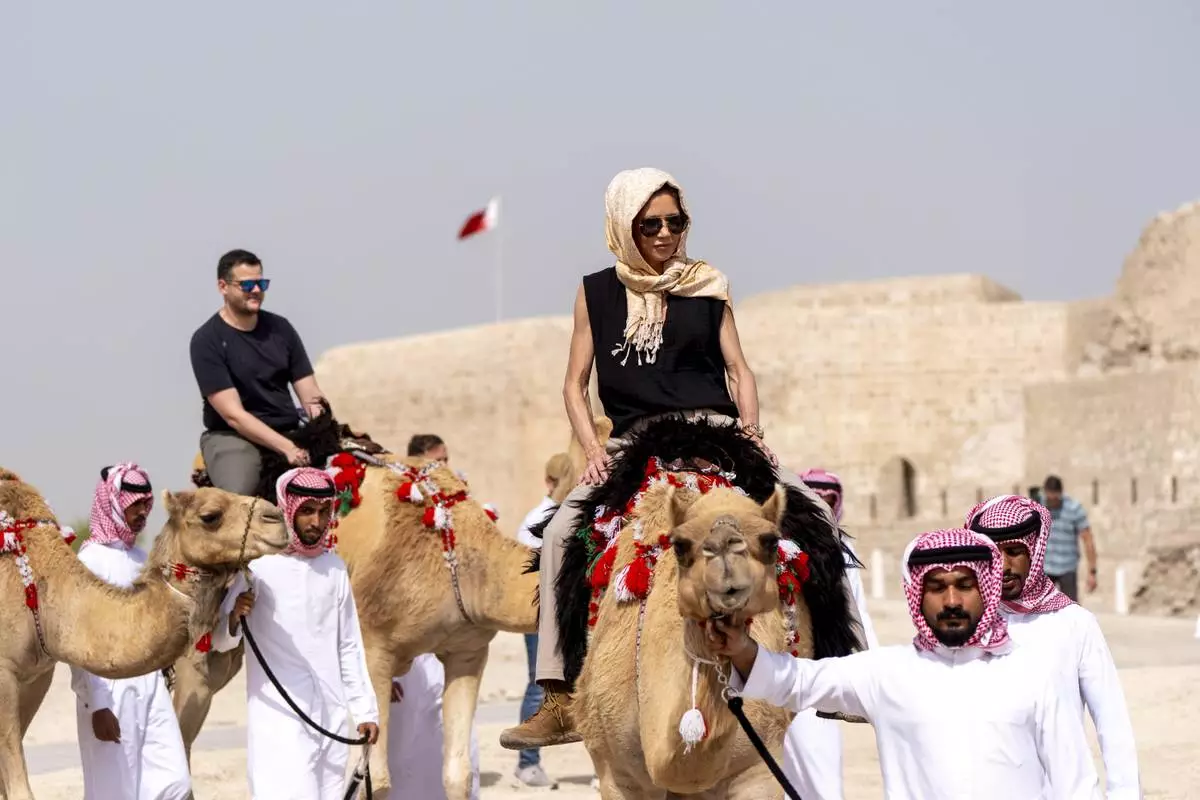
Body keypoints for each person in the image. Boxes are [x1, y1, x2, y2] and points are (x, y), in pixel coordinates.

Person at [500, 167, 838, 751]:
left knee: (815, 516)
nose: (664, 234)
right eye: (650, 224)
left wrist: (752, 432)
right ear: (623, 227)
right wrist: (592, 451)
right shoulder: (595, 292)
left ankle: (836, 670)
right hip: (635, 442)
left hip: (715, 434)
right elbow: (574, 384)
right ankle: (558, 697)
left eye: (674, 222)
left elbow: (739, 370)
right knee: (558, 536)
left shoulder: (707, 284)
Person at [705, 528, 1101, 799]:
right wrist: (741, 648)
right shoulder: (888, 673)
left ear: (986, 589)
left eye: (965, 586)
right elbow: (798, 681)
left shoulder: (1034, 672)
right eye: (936, 587)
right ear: (917, 595)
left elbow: (1076, 784)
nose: (951, 601)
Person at [214, 467, 379, 800]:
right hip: (279, 719)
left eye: (324, 512)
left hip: (331, 717)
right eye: (307, 511)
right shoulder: (257, 567)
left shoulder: (334, 568)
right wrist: (234, 616)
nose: (316, 521)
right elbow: (221, 640)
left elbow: (348, 645)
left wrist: (365, 711)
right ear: (287, 510)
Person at [966, 494, 1141, 798]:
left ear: (1035, 551)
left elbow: (1112, 723)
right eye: (994, 553)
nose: (1004, 565)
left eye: (1014, 552)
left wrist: (1125, 794)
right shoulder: (969, 627)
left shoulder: (1075, 624)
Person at [70, 463, 192, 800]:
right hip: (108, 689)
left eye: (146, 504)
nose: (142, 512)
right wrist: (97, 704)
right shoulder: (90, 560)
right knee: (115, 791)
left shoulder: (143, 558)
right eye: (134, 504)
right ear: (112, 503)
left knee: (174, 782)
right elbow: (79, 638)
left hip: (151, 684)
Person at [388, 433, 483, 797]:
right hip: (409, 653)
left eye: (446, 460)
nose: (445, 467)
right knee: (407, 746)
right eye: (437, 461)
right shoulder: (401, 512)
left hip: (450, 645)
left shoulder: (458, 511)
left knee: (457, 739)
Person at [189, 248, 328, 495]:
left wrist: (326, 431)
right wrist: (288, 448)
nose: (256, 290)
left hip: (288, 430)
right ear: (223, 287)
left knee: (343, 479)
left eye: (261, 283)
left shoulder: (281, 329)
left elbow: (311, 397)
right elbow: (234, 416)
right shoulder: (207, 340)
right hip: (235, 437)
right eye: (247, 284)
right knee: (242, 500)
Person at [784, 468, 879, 799]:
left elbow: (856, 609)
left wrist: (869, 664)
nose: (822, 503)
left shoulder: (841, 546)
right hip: (781, 664)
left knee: (820, 763)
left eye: (828, 499)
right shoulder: (785, 544)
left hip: (820, 664)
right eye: (816, 496)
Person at [507, 453, 574, 788]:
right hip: (539, 616)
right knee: (540, 686)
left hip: (567, 615)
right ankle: (528, 762)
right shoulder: (539, 519)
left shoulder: (566, 513)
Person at [1040, 475, 1098, 601]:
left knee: (1070, 608)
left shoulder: (1074, 509)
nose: (1052, 502)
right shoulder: (1039, 507)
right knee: (1039, 609)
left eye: (1055, 499)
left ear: (1060, 494)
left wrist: (1092, 572)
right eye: (1049, 499)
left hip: (1067, 567)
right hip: (1045, 568)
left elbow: (1087, 539)